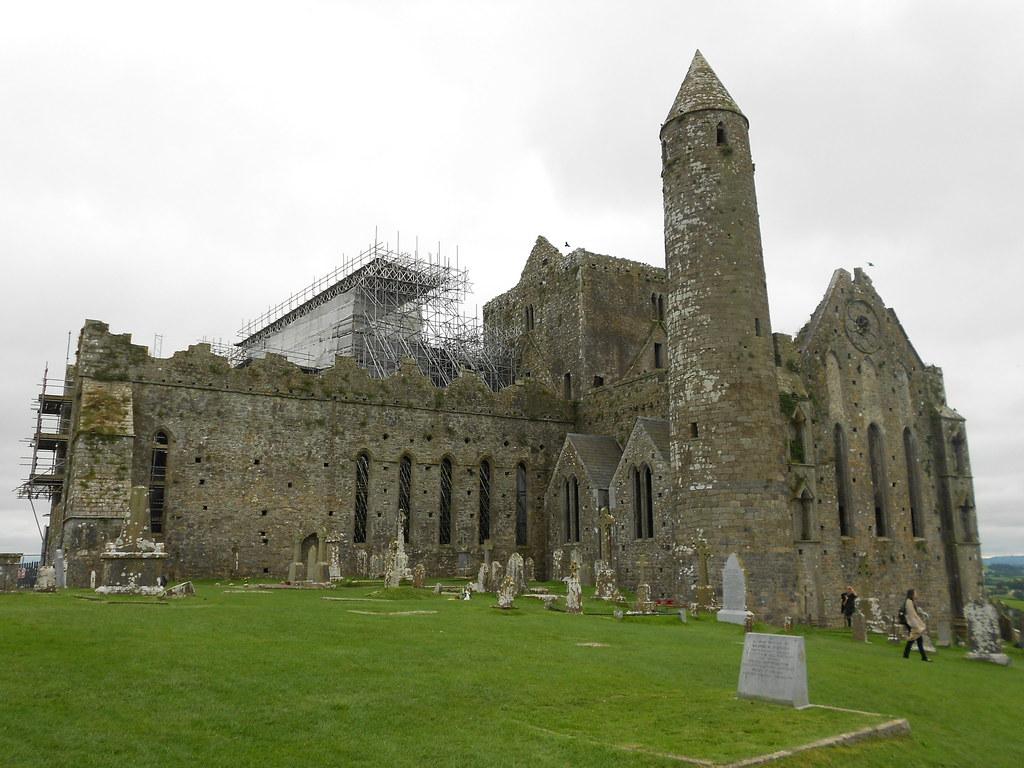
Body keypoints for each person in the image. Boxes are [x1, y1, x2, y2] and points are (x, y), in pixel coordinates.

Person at [902, 588, 931, 661]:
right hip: (913, 624)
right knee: (914, 639)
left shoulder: (911, 602)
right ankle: (923, 657)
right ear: (912, 594)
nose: (916, 594)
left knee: (916, 640)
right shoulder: (909, 602)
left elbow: (916, 610)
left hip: (914, 624)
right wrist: (917, 625)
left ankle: (907, 655)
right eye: (915, 593)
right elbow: (911, 614)